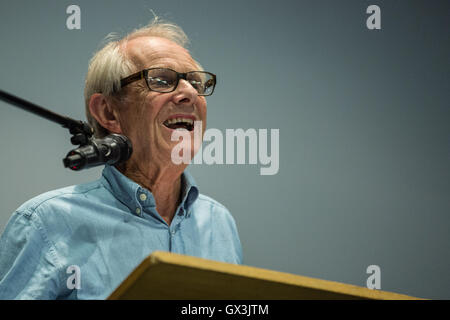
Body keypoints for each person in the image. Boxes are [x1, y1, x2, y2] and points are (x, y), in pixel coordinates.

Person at [0, 17, 243, 299]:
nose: (189, 92)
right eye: (162, 79)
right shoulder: (46, 223)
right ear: (108, 113)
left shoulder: (219, 222)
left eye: (196, 82)